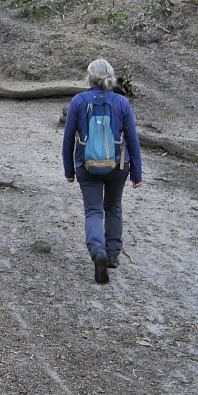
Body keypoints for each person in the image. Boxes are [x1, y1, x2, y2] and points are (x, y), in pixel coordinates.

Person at [61, 58, 143, 284]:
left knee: (93, 211)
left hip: (86, 165)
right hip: (118, 165)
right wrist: (137, 173)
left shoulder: (78, 101)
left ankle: (98, 251)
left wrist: (69, 169)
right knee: (114, 206)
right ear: (111, 78)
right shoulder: (122, 102)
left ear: (89, 78)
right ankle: (113, 254)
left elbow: (68, 139)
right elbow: (133, 140)